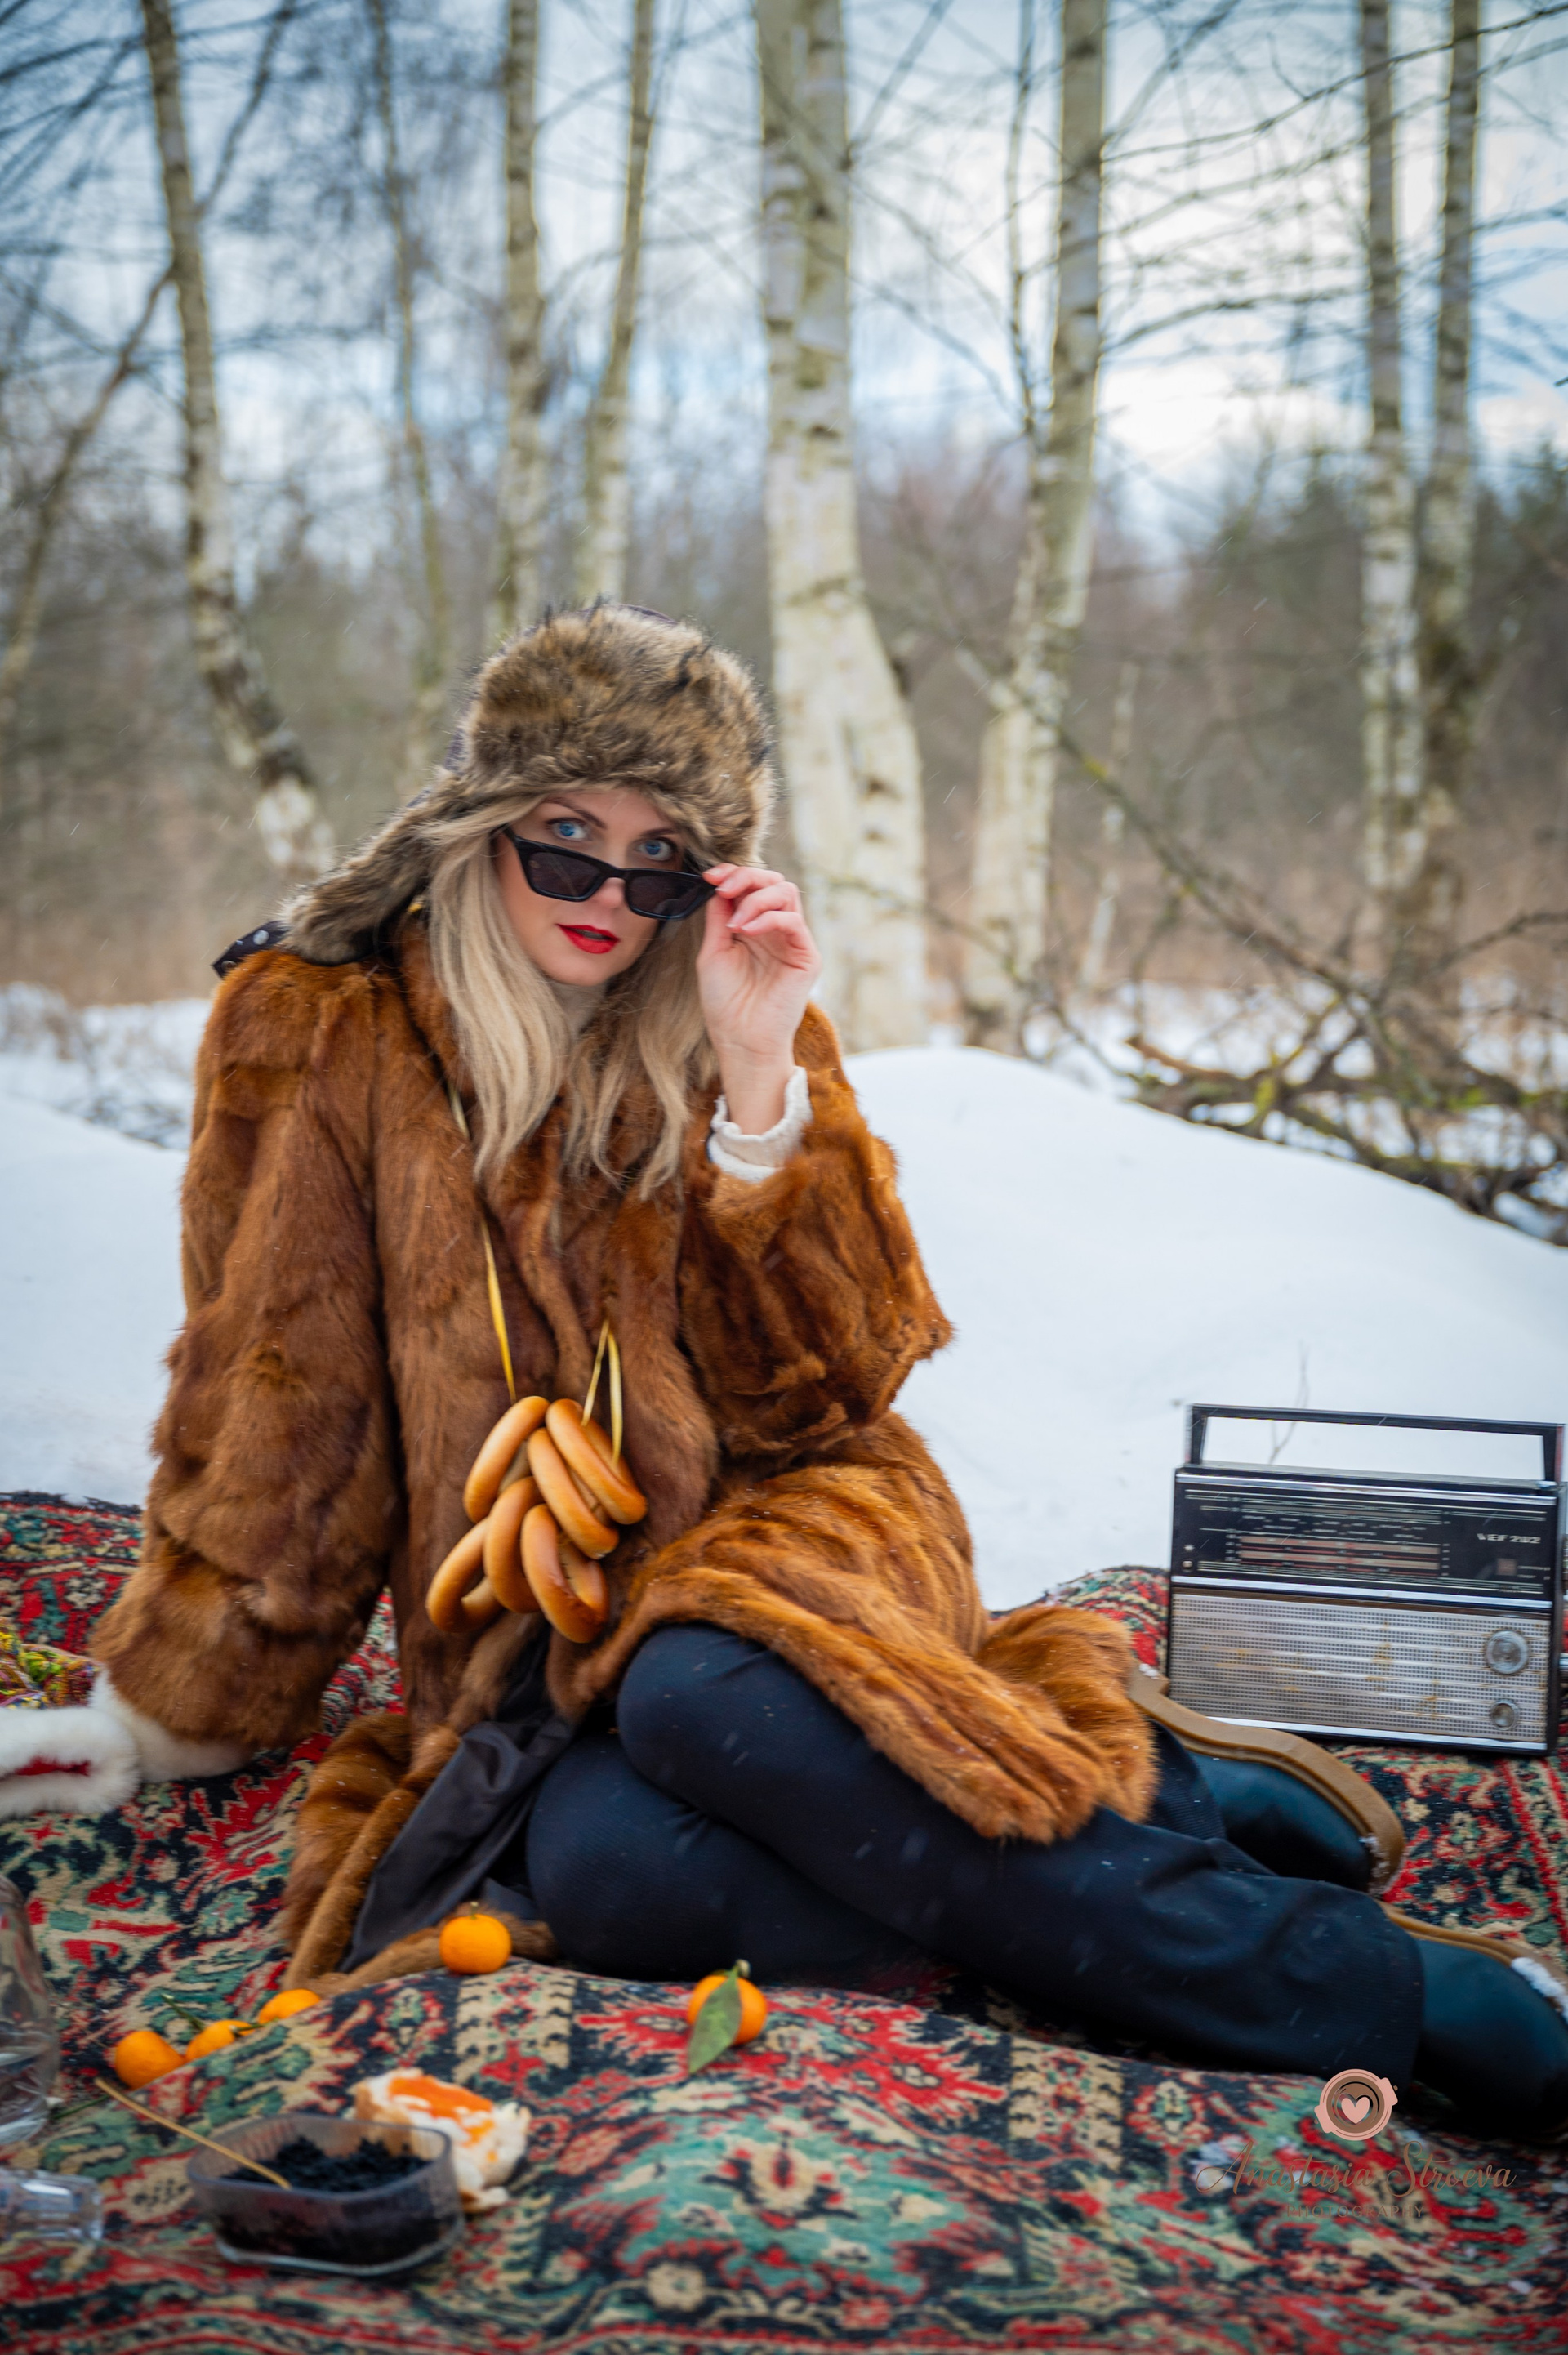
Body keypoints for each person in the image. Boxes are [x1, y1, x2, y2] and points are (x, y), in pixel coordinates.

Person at [17, 605, 1568, 2139]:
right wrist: (178, 1708)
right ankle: (1154, 1794)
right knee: (618, 1878)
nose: (608, 896)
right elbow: (281, 1398)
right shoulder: (319, 1029)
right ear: (481, 824)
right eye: (567, 842)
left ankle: (1394, 1993)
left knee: (698, 1685)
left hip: (803, 1526)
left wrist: (758, 1084)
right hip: (540, 1636)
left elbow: (832, 1392)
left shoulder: (733, 1006)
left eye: (659, 862)